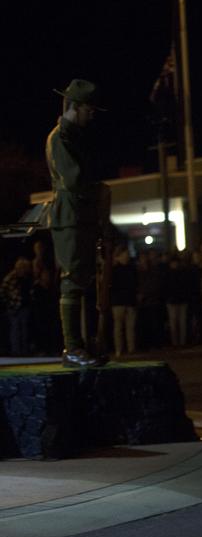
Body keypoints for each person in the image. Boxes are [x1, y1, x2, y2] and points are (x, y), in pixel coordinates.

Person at [46, 79, 109, 367]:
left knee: (84, 279)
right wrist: (97, 191)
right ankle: (72, 347)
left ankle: (84, 344)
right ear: (74, 107)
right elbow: (73, 180)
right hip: (70, 215)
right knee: (73, 279)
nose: (92, 114)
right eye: (89, 109)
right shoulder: (60, 138)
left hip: (81, 216)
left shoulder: (73, 137)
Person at [109, 246, 138, 357]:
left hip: (128, 301)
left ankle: (130, 349)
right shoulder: (115, 269)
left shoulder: (130, 268)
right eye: (124, 254)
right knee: (119, 327)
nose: (127, 257)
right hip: (119, 302)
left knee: (130, 327)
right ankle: (119, 349)